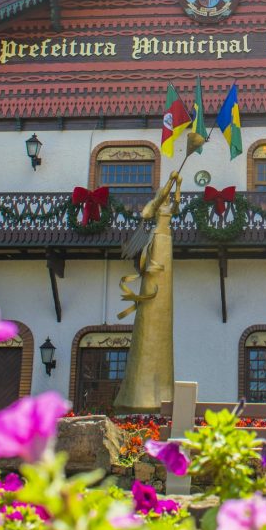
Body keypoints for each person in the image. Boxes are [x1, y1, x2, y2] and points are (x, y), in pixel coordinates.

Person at [114, 171, 182, 411]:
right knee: (153, 295)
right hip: (157, 242)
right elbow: (148, 212)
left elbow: (176, 205)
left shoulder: (168, 207)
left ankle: (161, 391)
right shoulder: (154, 205)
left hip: (166, 241)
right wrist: (169, 183)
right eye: (164, 194)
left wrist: (178, 185)